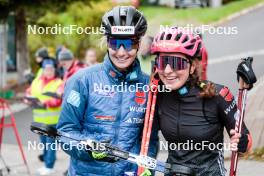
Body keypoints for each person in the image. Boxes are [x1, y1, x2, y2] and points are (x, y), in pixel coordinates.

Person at [56, 6, 158, 176]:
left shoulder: (149, 86)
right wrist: (89, 147)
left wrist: (148, 166)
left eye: (129, 43)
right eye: (115, 43)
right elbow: (65, 132)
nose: (121, 52)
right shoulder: (82, 80)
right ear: (106, 42)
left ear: (139, 44)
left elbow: (150, 138)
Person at [150, 27, 252, 175]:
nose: (167, 70)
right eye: (162, 62)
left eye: (176, 63)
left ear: (192, 66)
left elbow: (247, 142)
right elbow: (144, 136)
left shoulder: (217, 95)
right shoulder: (157, 95)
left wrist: (242, 142)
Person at [25, 59, 63, 175]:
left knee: (51, 144)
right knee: (45, 144)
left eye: (51, 69)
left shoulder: (59, 83)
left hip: (53, 121)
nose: (49, 71)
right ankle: (47, 164)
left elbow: (58, 99)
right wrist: (27, 99)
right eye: (46, 69)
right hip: (39, 120)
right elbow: (28, 92)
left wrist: (45, 103)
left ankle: (49, 166)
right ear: (43, 70)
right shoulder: (36, 81)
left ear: (54, 70)